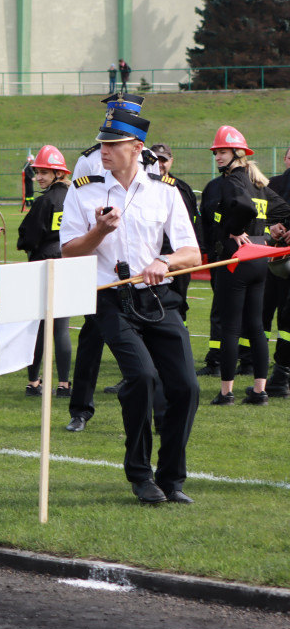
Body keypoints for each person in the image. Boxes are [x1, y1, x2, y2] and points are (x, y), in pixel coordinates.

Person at [60, 107, 200, 505]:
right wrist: (99, 231)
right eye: (102, 144)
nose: (103, 151)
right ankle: (141, 475)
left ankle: (172, 479)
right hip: (108, 298)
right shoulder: (83, 189)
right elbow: (69, 251)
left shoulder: (165, 192)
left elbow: (191, 252)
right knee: (141, 378)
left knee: (186, 387)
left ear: (137, 147)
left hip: (159, 297)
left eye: (113, 144)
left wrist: (164, 262)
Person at [66, 93, 152, 432]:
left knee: (148, 338)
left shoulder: (150, 160)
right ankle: (80, 409)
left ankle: (154, 404)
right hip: (100, 266)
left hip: (139, 267)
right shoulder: (90, 161)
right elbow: (76, 210)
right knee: (91, 338)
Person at [199, 126, 290, 406]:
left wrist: (233, 230)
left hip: (236, 260)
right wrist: (273, 231)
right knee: (254, 325)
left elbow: (245, 209)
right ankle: (259, 391)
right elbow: (284, 210)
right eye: (216, 153)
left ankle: (226, 393)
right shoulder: (259, 183)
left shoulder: (231, 181)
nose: (217, 157)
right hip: (259, 259)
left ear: (237, 153)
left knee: (230, 327)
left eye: (222, 152)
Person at [16, 145, 72, 398]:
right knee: (61, 328)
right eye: (37, 172)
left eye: (45, 172)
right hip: (69, 262)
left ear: (58, 174)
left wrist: (26, 246)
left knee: (38, 327)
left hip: (43, 263)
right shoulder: (75, 197)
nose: (39, 177)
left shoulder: (44, 201)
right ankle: (64, 384)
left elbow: (28, 236)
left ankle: (34, 382)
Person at [150, 143, 203, 321]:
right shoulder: (141, 187)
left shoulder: (181, 188)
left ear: (171, 161)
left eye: (164, 160)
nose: (160, 164)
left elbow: (194, 222)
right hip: (151, 257)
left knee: (179, 303)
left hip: (178, 258)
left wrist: (196, 251)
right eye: (156, 159)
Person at [262, 146, 290, 396]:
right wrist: (273, 226)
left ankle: (281, 376)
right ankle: (281, 375)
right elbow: (265, 211)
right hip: (280, 260)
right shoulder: (278, 183)